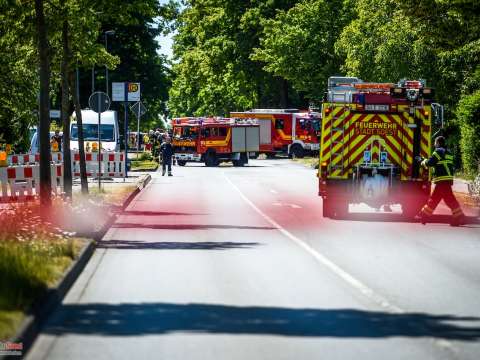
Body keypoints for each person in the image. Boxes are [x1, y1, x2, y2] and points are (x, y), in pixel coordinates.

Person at [416, 136, 465, 226]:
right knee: (447, 199)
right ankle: (458, 217)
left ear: (438, 143)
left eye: (435, 143)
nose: (434, 145)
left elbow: (431, 162)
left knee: (436, 199)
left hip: (441, 180)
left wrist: (421, 161)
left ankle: (424, 216)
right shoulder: (448, 152)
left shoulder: (439, 151)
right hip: (447, 179)